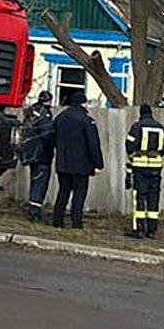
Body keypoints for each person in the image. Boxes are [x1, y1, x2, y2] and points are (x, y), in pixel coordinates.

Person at [51, 90, 103, 229]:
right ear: (83, 103)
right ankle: (76, 222)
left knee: (63, 192)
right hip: (81, 165)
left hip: (63, 162)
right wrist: (98, 164)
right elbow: (93, 143)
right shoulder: (86, 120)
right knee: (79, 194)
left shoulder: (60, 118)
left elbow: (52, 139)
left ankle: (57, 221)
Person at [125, 104, 164, 239]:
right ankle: (152, 230)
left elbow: (129, 145)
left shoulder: (137, 127)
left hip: (140, 167)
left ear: (140, 113)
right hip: (156, 168)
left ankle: (139, 229)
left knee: (140, 197)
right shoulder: (160, 128)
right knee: (153, 198)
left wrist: (133, 157)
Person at [20, 90, 55, 223]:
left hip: (30, 152)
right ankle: (35, 213)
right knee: (40, 182)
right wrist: (50, 150)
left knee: (34, 179)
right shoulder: (44, 114)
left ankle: (33, 208)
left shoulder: (32, 111)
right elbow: (47, 134)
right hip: (41, 154)